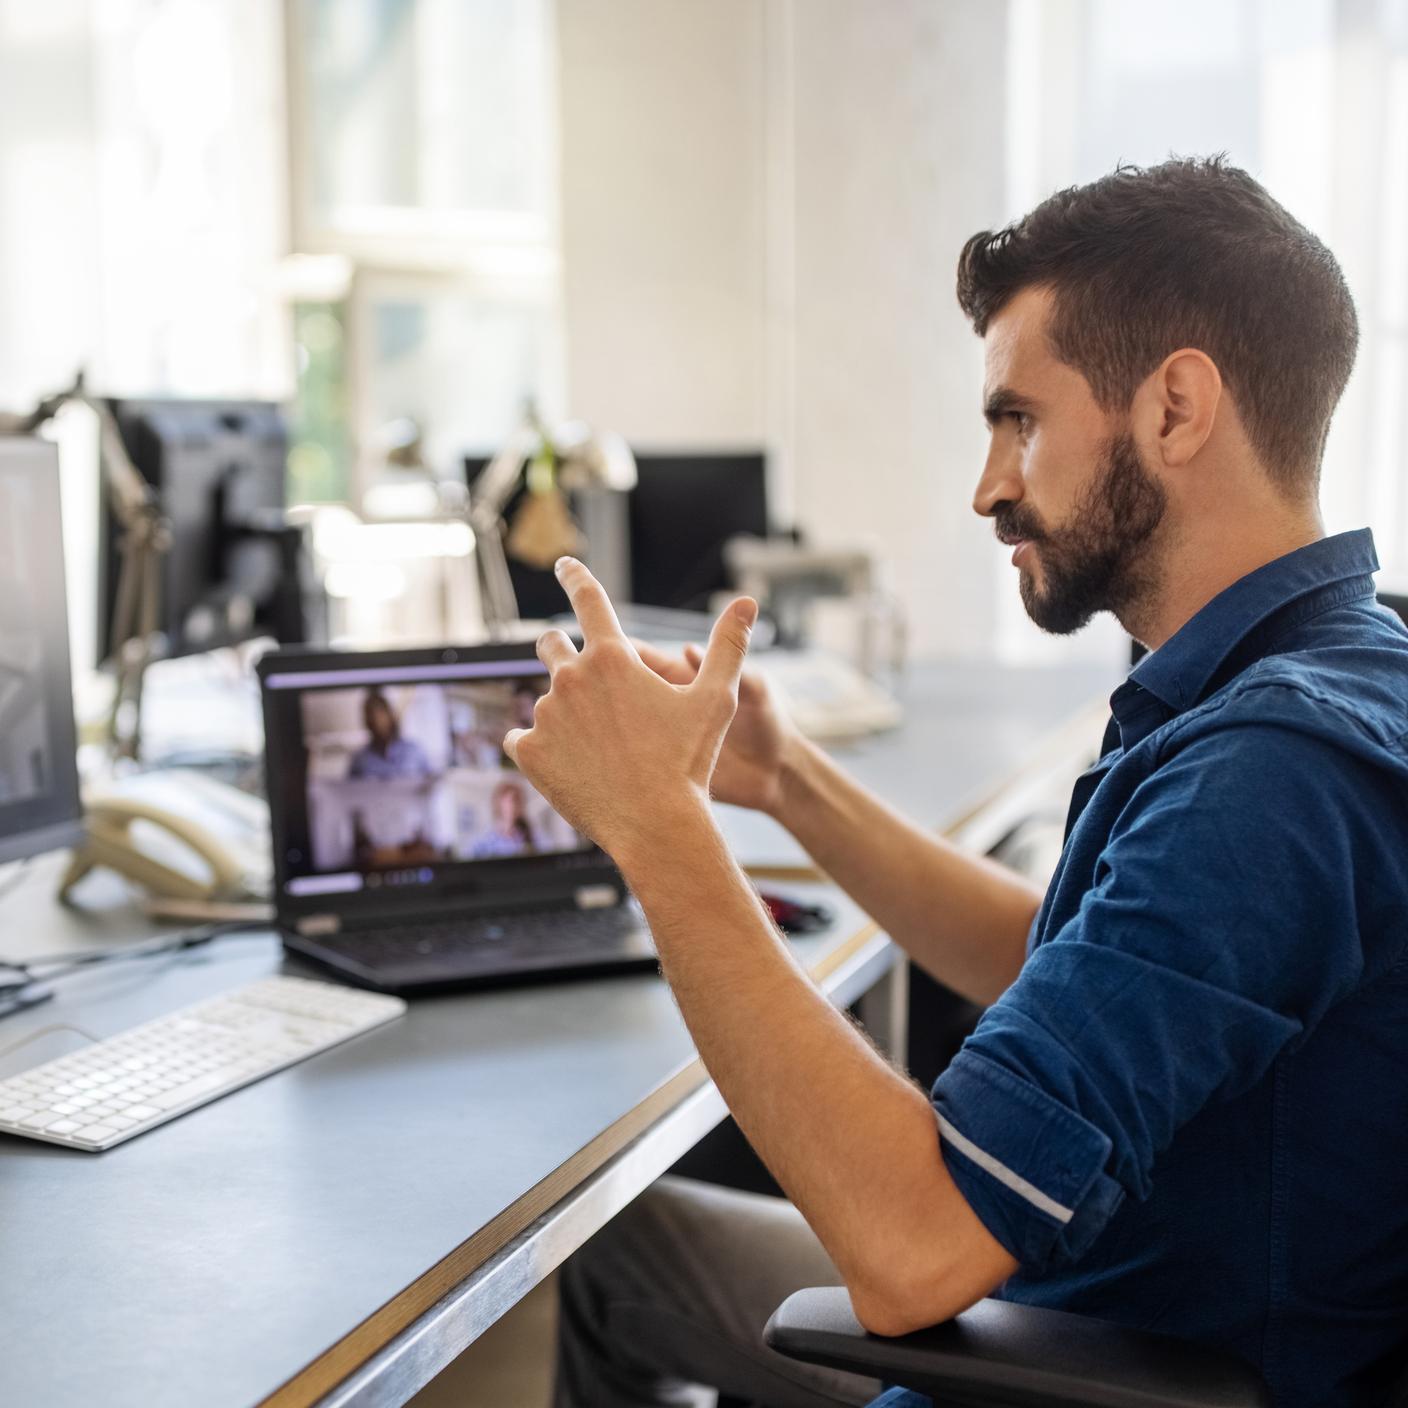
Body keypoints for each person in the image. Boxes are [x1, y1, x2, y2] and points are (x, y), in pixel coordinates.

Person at [505, 158, 1408, 1408]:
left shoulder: (1267, 777)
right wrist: (788, 783)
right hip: (1105, 1313)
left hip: (1089, 1358)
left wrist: (658, 827)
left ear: (1176, 407)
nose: (987, 485)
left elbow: (909, 1253)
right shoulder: (1325, 674)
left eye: (1018, 420)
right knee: (618, 1253)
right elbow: (1068, 962)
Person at [347, 690, 434, 782]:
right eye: (371, 717)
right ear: (367, 723)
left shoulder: (415, 752)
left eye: (381, 715)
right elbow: (349, 792)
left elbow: (432, 785)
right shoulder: (360, 760)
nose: (377, 723)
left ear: (391, 716)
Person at [469, 778, 541, 858]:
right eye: (509, 801)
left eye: (517, 801)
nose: (513, 806)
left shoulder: (533, 837)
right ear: (498, 803)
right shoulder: (484, 841)